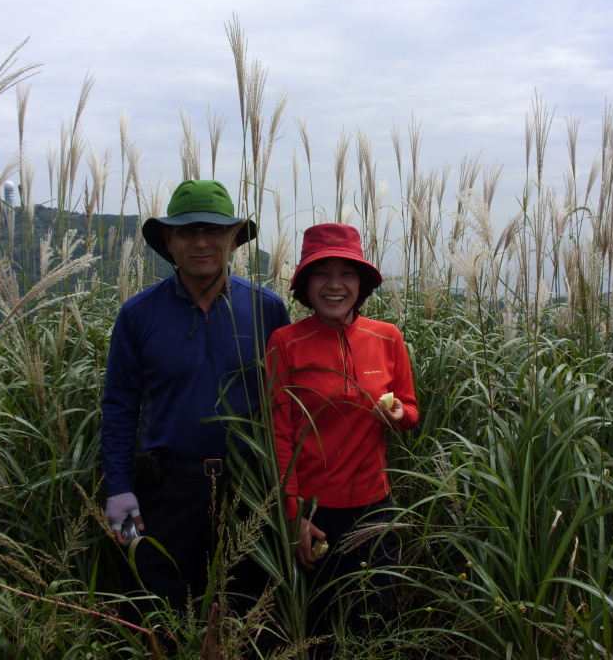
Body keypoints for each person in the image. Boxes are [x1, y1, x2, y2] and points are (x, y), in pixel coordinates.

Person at [101, 179, 290, 630]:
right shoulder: (138, 314)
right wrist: (118, 487)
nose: (201, 242)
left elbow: (286, 406)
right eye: (187, 231)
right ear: (168, 240)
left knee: (246, 619)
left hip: (248, 489)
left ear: (233, 239)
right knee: (161, 619)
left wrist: (288, 493)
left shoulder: (268, 310)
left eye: (214, 230)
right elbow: (120, 405)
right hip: (164, 493)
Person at [265, 222, 418, 644]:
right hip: (316, 516)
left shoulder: (387, 337)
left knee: (377, 626)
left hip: (376, 510)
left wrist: (397, 415)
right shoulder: (286, 342)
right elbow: (280, 436)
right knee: (318, 634)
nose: (335, 285)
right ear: (305, 284)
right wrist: (294, 517)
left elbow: (410, 409)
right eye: (321, 274)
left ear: (361, 282)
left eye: (347, 274)